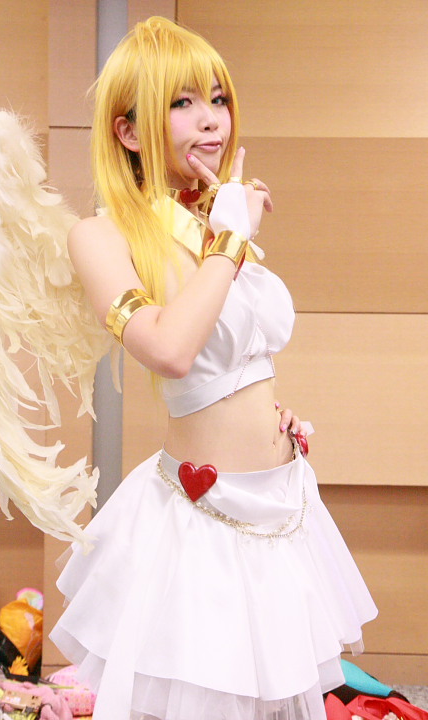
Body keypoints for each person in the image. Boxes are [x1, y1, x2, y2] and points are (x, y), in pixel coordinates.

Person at [49, 16, 377, 720]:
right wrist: (230, 237)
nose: (211, 120)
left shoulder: (214, 225)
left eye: (219, 99)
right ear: (129, 132)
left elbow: (241, 357)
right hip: (198, 519)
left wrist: (269, 412)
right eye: (182, 102)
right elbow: (169, 349)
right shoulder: (101, 235)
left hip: (282, 501)